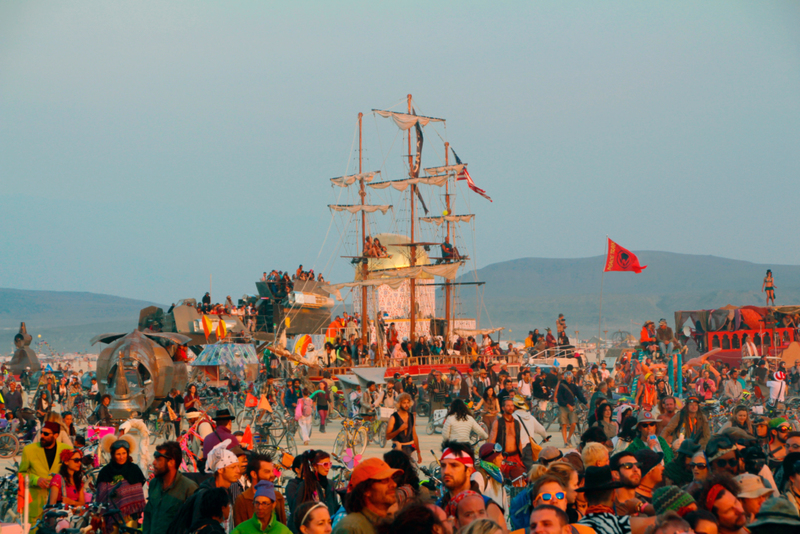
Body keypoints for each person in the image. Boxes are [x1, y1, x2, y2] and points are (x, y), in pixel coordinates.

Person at [435, 442, 506, 530]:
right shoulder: (438, 509)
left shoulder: (487, 507)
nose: (446, 471)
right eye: (443, 465)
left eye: (454, 465)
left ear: (468, 471)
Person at [19, 421, 72, 524]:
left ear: (56, 435)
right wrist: (35, 480)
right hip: (34, 506)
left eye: (46, 434)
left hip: (58, 508)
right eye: (41, 433)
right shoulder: (28, 450)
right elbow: (21, 474)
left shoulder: (66, 450)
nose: (42, 436)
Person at [331, 457, 401, 534]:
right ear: (365, 490)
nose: (394, 484)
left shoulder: (386, 522)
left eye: (392, 478)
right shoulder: (352, 528)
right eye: (384, 480)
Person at [577, 466, 655, 534]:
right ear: (613, 495)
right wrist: (641, 506)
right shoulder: (624, 524)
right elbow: (664, 517)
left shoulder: (575, 528)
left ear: (585, 497)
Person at [144, 441, 199, 534]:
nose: (153, 463)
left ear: (171, 462)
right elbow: (148, 516)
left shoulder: (189, 488)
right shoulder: (154, 484)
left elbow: (195, 524)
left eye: (158, 459)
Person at [97, 438, 147, 519]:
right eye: (118, 454)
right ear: (112, 455)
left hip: (132, 515)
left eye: (124, 453)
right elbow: (101, 496)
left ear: (128, 453)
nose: (121, 457)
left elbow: (139, 489)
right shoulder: (105, 472)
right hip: (111, 516)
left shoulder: (134, 469)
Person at [290, 450, 339, 517]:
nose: (328, 467)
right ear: (314, 466)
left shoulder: (330, 484)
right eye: (325, 464)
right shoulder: (305, 485)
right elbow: (296, 512)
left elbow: (335, 507)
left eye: (329, 464)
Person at [488, 398, 526, 479]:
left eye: (512, 405)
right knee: (501, 482)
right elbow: (491, 442)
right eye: (508, 405)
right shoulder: (497, 423)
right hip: (502, 458)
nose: (511, 407)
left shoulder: (517, 423)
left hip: (516, 458)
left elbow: (519, 441)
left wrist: (520, 457)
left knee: (519, 482)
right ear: (503, 408)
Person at [609, 451, 653, 517]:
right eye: (628, 466)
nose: (636, 469)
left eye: (638, 465)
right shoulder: (608, 507)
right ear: (616, 474)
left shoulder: (646, 502)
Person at [385, 393, 421, 462]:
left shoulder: (411, 416)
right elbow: (387, 436)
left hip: (411, 449)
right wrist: (399, 429)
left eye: (408, 402)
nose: (406, 405)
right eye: (404, 403)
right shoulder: (393, 417)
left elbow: (414, 435)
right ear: (399, 404)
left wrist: (418, 453)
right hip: (398, 450)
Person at [472, 444, 505, 516]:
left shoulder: (498, 474)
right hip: (487, 524)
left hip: (499, 522)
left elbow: (503, 500)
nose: (502, 458)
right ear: (491, 458)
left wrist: (504, 521)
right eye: (499, 455)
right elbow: (473, 504)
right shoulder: (478, 476)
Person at [556, 371, 587, 446]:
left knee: (573, 423)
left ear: (572, 378)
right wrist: (567, 405)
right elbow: (559, 398)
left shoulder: (574, 386)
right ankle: (565, 442)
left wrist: (586, 403)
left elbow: (579, 395)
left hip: (572, 407)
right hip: (563, 407)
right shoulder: (562, 386)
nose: (568, 379)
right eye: (567, 377)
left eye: (569, 377)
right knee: (564, 424)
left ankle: (569, 438)